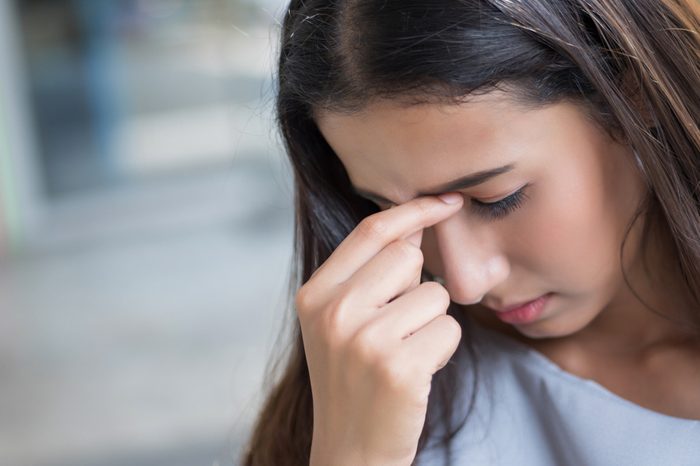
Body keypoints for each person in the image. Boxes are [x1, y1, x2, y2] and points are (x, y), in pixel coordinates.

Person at [242, 0, 700, 464]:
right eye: (386, 212)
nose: (463, 284)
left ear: (633, 95)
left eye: (496, 199)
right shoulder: (376, 390)